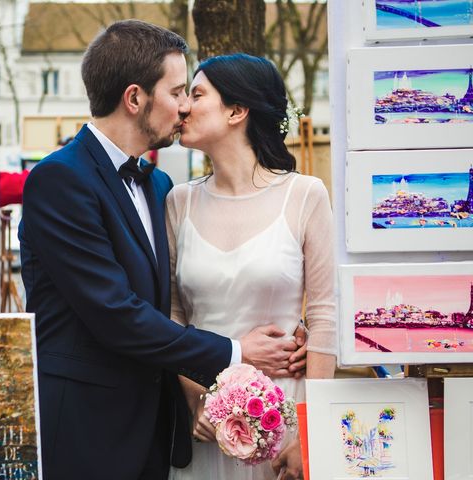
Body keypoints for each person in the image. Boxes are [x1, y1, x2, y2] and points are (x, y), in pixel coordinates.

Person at [19, 21, 306, 480]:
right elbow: (116, 313)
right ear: (135, 99)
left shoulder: (159, 186)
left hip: (158, 432)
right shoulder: (59, 179)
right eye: (176, 92)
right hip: (86, 430)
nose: (185, 105)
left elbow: (173, 300)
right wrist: (236, 352)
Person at [166, 54, 337, 480]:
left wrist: (311, 434)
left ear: (237, 111)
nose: (183, 106)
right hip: (206, 422)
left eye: (197, 94)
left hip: (285, 421)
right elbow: (170, 318)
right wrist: (196, 401)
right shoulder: (178, 202)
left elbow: (324, 317)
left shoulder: (305, 195)